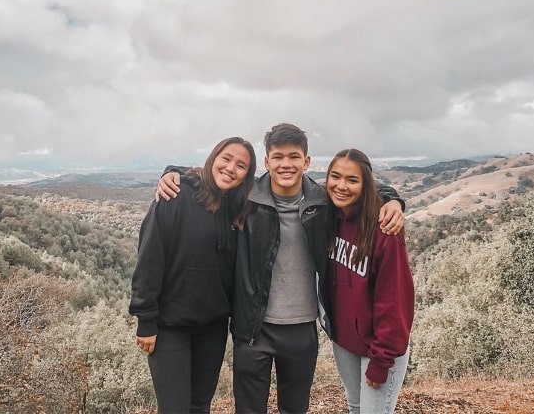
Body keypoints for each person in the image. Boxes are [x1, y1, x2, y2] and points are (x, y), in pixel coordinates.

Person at [156, 123, 405, 414]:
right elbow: (213, 178)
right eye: (278, 157)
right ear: (267, 162)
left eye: (294, 156)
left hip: (302, 329)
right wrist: (171, 172)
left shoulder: (322, 202)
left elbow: (358, 188)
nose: (286, 164)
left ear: (306, 161)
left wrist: (392, 199)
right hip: (252, 329)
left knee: (295, 409)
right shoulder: (246, 198)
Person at [129, 136, 257, 414]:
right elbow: (150, 257)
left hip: (213, 327)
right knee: (174, 409)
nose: (231, 168)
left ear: (247, 175)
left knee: (200, 406)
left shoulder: (238, 208)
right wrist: (145, 320)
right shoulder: (175, 196)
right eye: (226, 159)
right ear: (213, 159)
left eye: (241, 165)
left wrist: (379, 195)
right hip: (169, 326)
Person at [325, 148, 414, 414]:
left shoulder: (385, 230)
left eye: (352, 180)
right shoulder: (330, 216)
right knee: (355, 407)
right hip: (345, 340)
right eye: (335, 176)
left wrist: (381, 360)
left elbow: (394, 301)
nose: (341, 186)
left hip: (379, 348)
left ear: (366, 185)